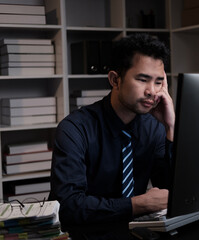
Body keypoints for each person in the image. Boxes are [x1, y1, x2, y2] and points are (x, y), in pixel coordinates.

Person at [49, 34, 175, 236]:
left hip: (137, 233)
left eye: (159, 82)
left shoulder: (155, 128)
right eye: (143, 80)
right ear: (115, 80)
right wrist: (136, 205)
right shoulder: (75, 128)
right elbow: (68, 206)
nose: (152, 91)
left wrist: (170, 128)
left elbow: (173, 193)